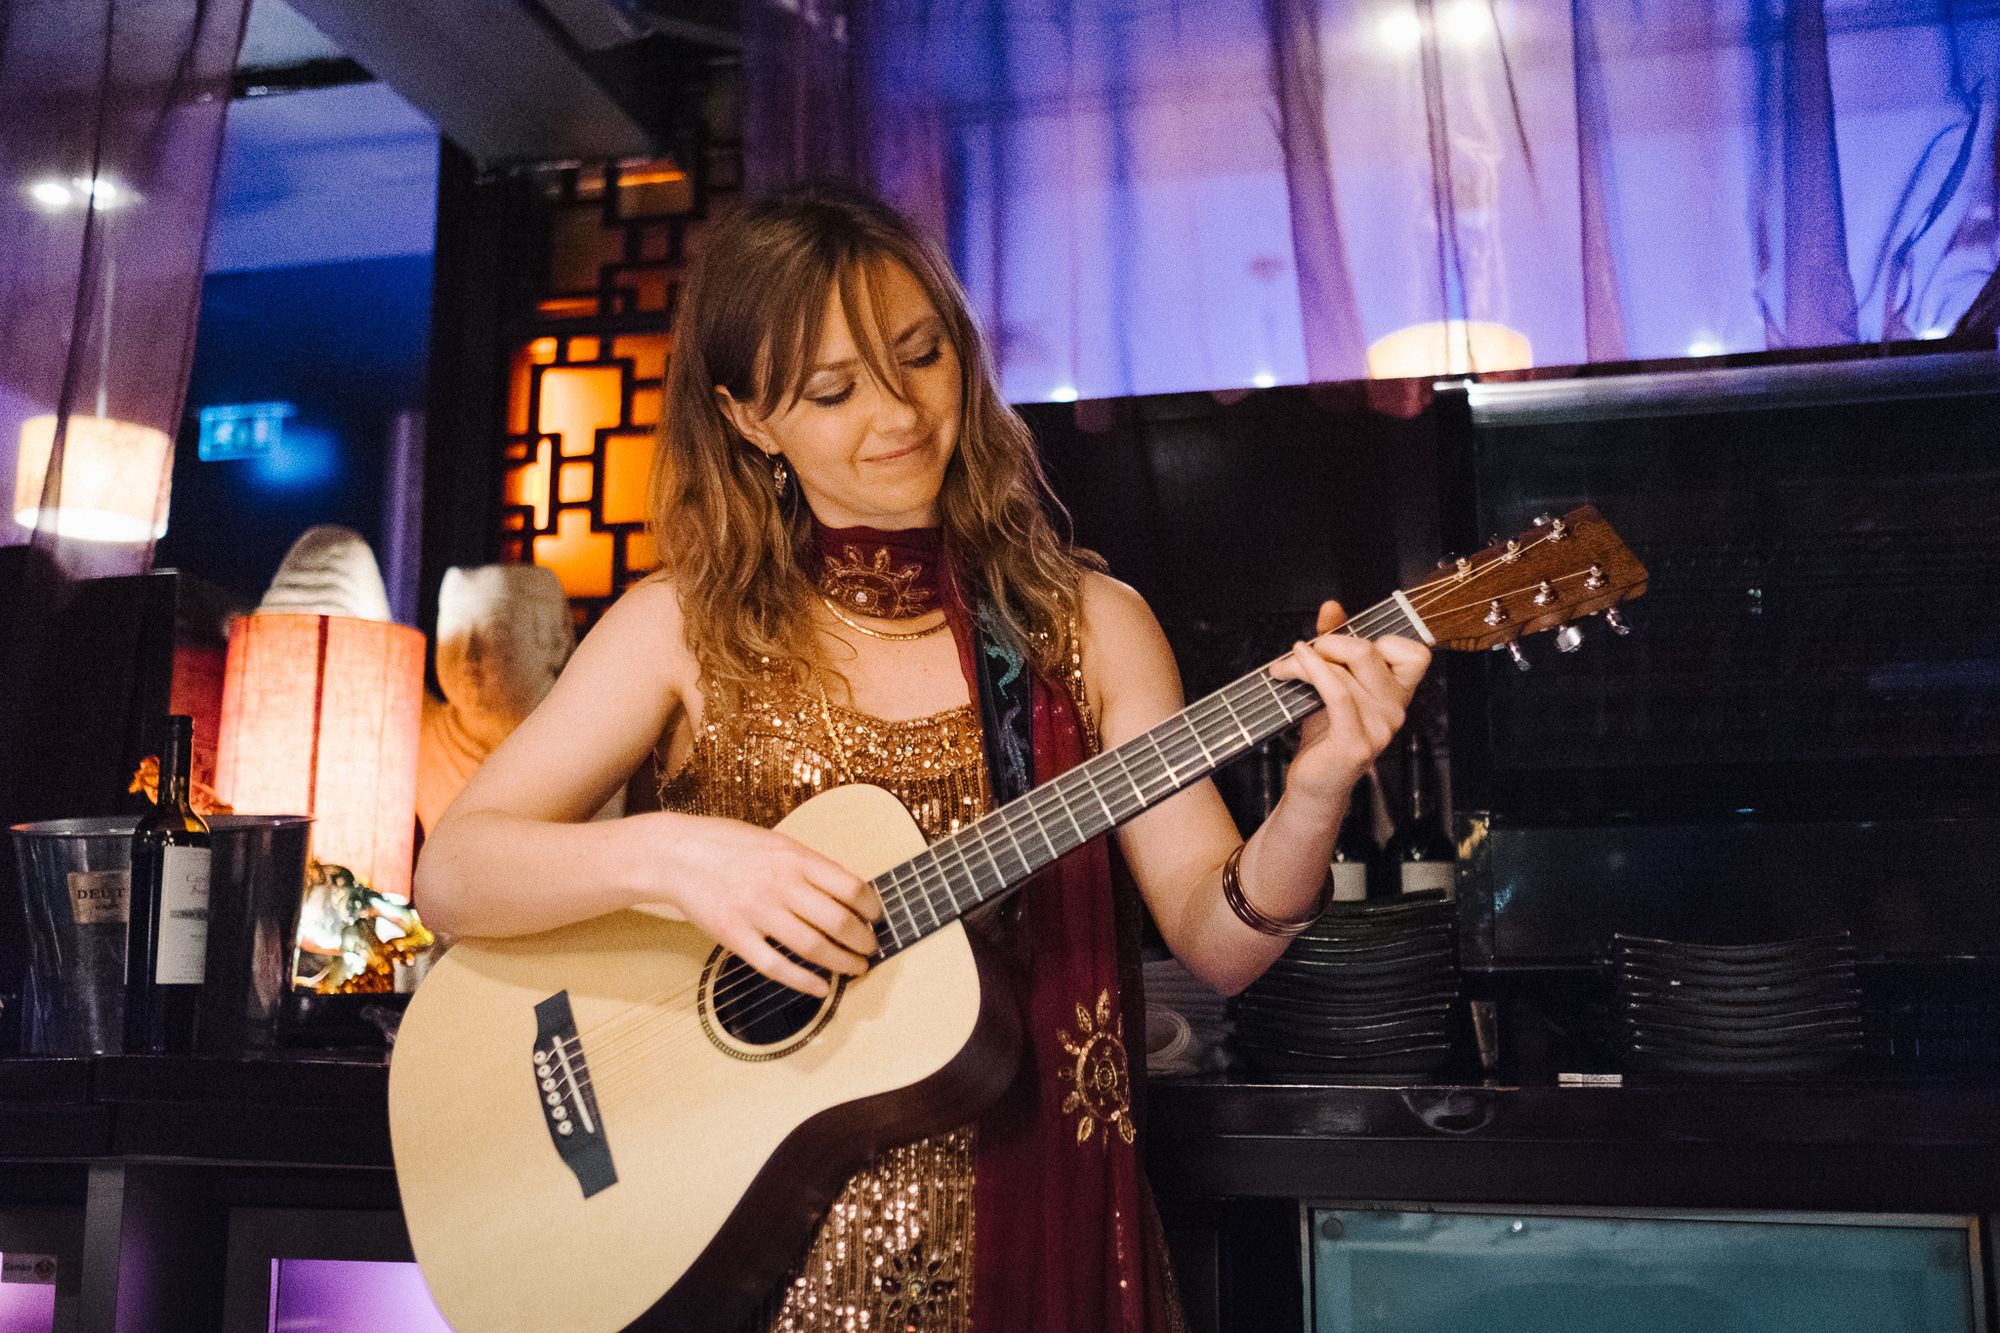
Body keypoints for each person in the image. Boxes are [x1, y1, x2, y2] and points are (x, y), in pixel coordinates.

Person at [414, 181, 1430, 1332]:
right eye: (836, 389)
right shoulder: (679, 624)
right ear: (750, 417)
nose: (898, 413)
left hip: (1043, 1227)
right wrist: (675, 858)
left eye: (922, 357)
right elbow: (454, 872)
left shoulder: (1085, 623)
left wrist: (1313, 790)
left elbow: (1217, 938)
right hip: (754, 1252)